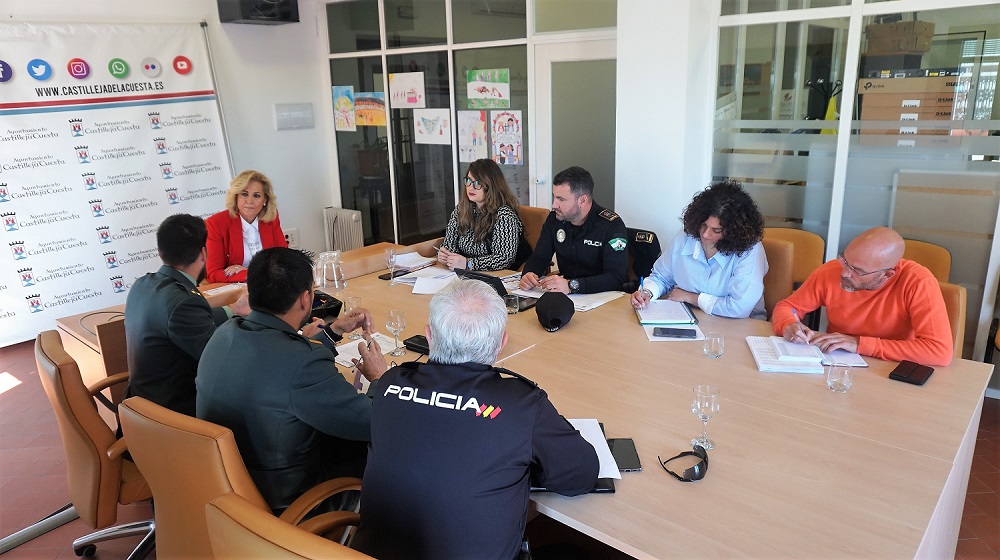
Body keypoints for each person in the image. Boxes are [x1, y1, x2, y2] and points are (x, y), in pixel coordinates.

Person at [352, 279, 599, 560]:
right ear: (502, 343)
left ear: (429, 336)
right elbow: (580, 476)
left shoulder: (389, 384)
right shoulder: (522, 404)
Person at [197, 247, 388, 513]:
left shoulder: (224, 334)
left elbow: (275, 359)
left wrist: (332, 331)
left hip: (231, 490)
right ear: (305, 299)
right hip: (290, 503)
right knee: (393, 444)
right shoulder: (304, 363)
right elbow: (373, 422)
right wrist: (380, 379)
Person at [123, 214, 250, 417]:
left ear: (160, 253)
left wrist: (233, 309)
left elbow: (182, 319)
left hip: (143, 405)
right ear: (203, 253)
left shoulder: (143, 285)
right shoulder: (184, 302)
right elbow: (222, 361)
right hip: (175, 414)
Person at [772, 227, 953, 366]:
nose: (844, 273)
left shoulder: (918, 282)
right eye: (845, 261)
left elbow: (939, 351)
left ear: (887, 274)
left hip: (891, 367)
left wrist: (860, 344)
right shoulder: (831, 271)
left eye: (857, 270)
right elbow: (787, 307)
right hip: (836, 363)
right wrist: (788, 324)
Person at [631, 180, 768, 319]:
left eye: (716, 230)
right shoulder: (686, 236)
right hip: (689, 317)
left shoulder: (749, 249)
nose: (705, 234)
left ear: (734, 231)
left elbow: (739, 308)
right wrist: (647, 292)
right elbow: (661, 277)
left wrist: (691, 297)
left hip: (739, 323)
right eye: (703, 225)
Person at [519, 166, 628, 294]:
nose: (554, 205)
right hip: (569, 295)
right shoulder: (555, 219)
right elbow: (539, 257)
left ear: (582, 200)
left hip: (604, 296)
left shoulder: (611, 225)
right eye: (554, 197)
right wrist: (529, 274)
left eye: (561, 199)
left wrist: (572, 286)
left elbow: (616, 278)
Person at [437, 158, 527, 271]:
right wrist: (446, 255)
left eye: (477, 183)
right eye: (468, 181)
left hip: (500, 274)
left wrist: (468, 264)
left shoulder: (504, 215)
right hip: (467, 273)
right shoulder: (461, 209)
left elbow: (504, 259)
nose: (471, 187)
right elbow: (449, 244)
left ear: (491, 186)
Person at [205, 169, 288, 283]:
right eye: (244, 194)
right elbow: (213, 273)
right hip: (237, 288)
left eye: (257, 196)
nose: (249, 201)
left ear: (265, 199)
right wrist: (250, 274)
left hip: (269, 285)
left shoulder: (271, 218)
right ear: (236, 197)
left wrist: (251, 272)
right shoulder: (216, 223)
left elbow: (284, 260)